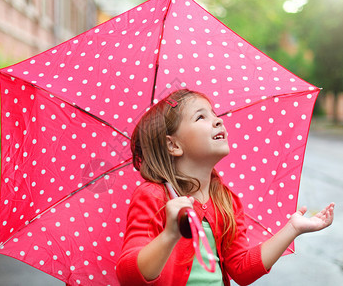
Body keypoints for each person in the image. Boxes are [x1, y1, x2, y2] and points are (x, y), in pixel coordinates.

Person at [116, 89, 334, 286]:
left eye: (214, 114)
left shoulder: (224, 199)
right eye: (201, 116)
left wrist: (292, 229)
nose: (217, 121)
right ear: (173, 145)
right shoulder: (154, 197)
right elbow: (129, 275)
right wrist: (170, 235)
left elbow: (242, 270)